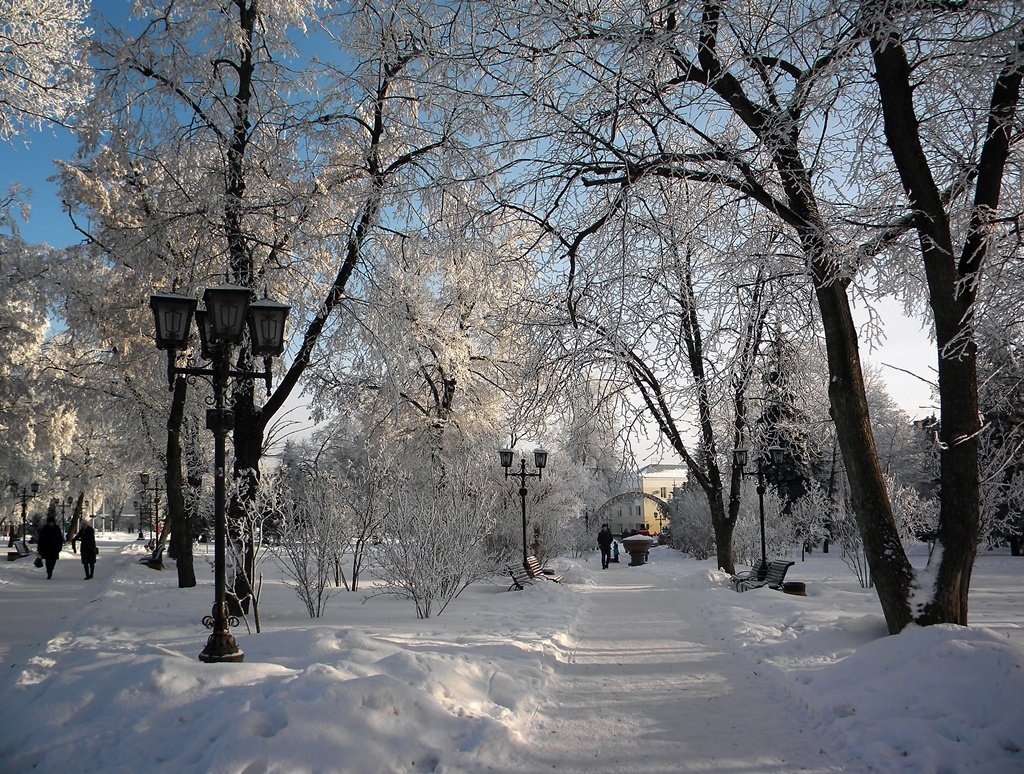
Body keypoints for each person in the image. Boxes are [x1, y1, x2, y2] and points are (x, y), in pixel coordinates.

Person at [36, 514, 64, 580]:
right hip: (46, 548)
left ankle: (51, 570)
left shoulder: (57, 529)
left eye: (52, 522)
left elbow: (60, 539)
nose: (51, 524)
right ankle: (49, 572)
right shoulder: (44, 529)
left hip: (54, 548)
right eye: (50, 522)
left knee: (53, 561)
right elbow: (41, 539)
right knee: (47, 561)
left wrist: (59, 547)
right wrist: (40, 549)